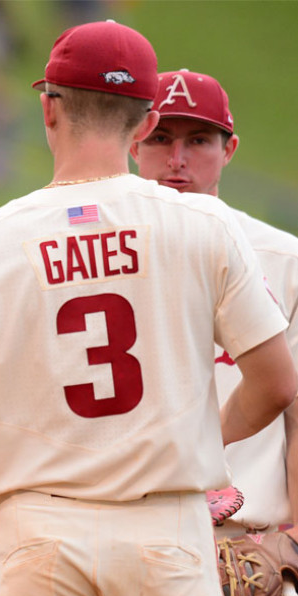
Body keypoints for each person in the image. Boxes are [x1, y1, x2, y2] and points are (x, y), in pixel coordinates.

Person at [0, 20, 297, 596]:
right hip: (165, 523)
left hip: (38, 529)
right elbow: (277, 384)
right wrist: (194, 444)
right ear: (146, 123)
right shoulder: (205, 227)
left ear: (48, 109)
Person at [132, 69, 298, 541]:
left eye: (199, 140)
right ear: (133, 144)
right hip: (124, 537)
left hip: (247, 541)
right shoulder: (96, 256)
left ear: (229, 150)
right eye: (160, 137)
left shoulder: (285, 261)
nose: (177, 159)